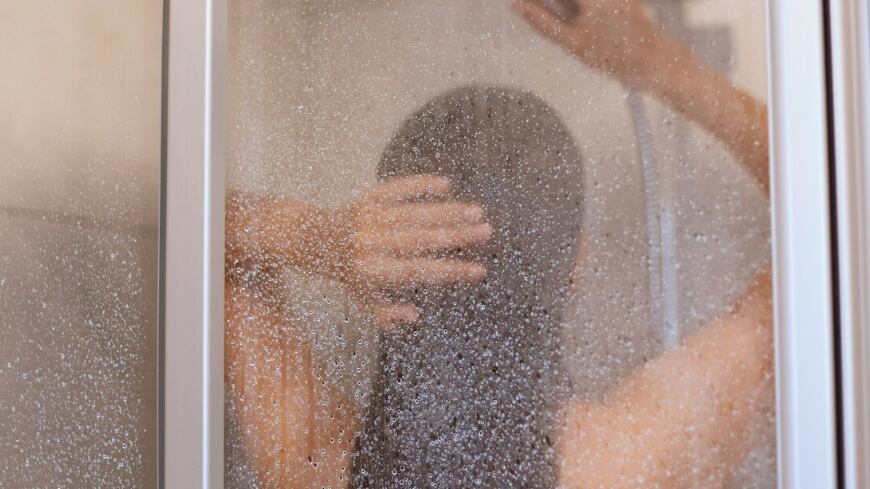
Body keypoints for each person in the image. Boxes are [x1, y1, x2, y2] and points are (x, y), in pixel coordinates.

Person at [224, 0, 773, 487]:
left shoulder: (313, 465)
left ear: (385, 258)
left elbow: (202, 237)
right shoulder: (635, 463)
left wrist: (321, 239)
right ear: (575, 260)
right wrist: (650, 60)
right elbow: (823, 232)